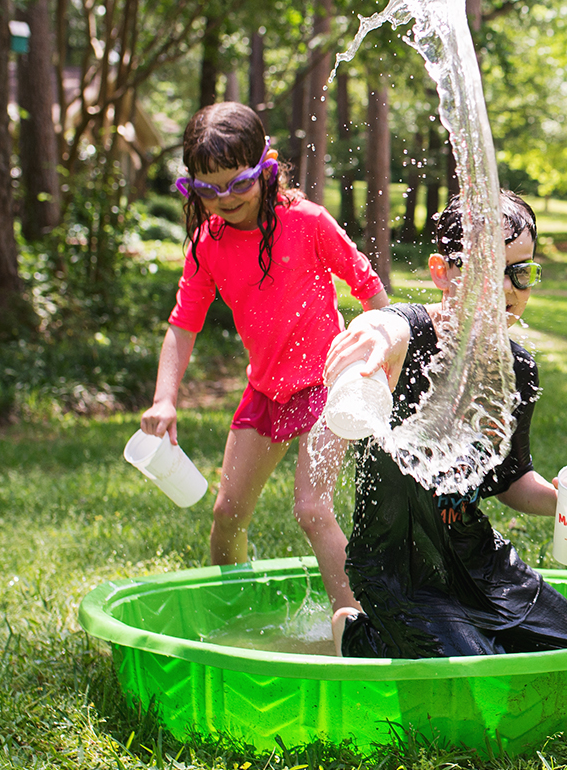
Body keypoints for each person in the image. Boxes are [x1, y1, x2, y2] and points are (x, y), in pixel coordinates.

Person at [322, 191, 567, 658]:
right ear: (441, 271)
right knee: (479, 676)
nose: (508, 289)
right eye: (486, 272)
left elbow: (510, 480)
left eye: (522, 272)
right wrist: (376, 335)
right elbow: (386, 325)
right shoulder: (413, 336)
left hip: (478, 558)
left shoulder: (517, 367)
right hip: (400, 566)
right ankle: (359, 634)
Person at [140, 102, 388, 624]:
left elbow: (371, 291)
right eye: (206, 189)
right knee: (227, 515)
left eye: (237, 183)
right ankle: (232, 620)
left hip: (327, 384)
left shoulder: (308, 222)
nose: (223, 199)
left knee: (312, 508)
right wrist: (165, 398)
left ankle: (359, 626)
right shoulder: (207, 244)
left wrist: (380, 361)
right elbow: (183, 325)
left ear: (267, 168)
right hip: (266, 392)